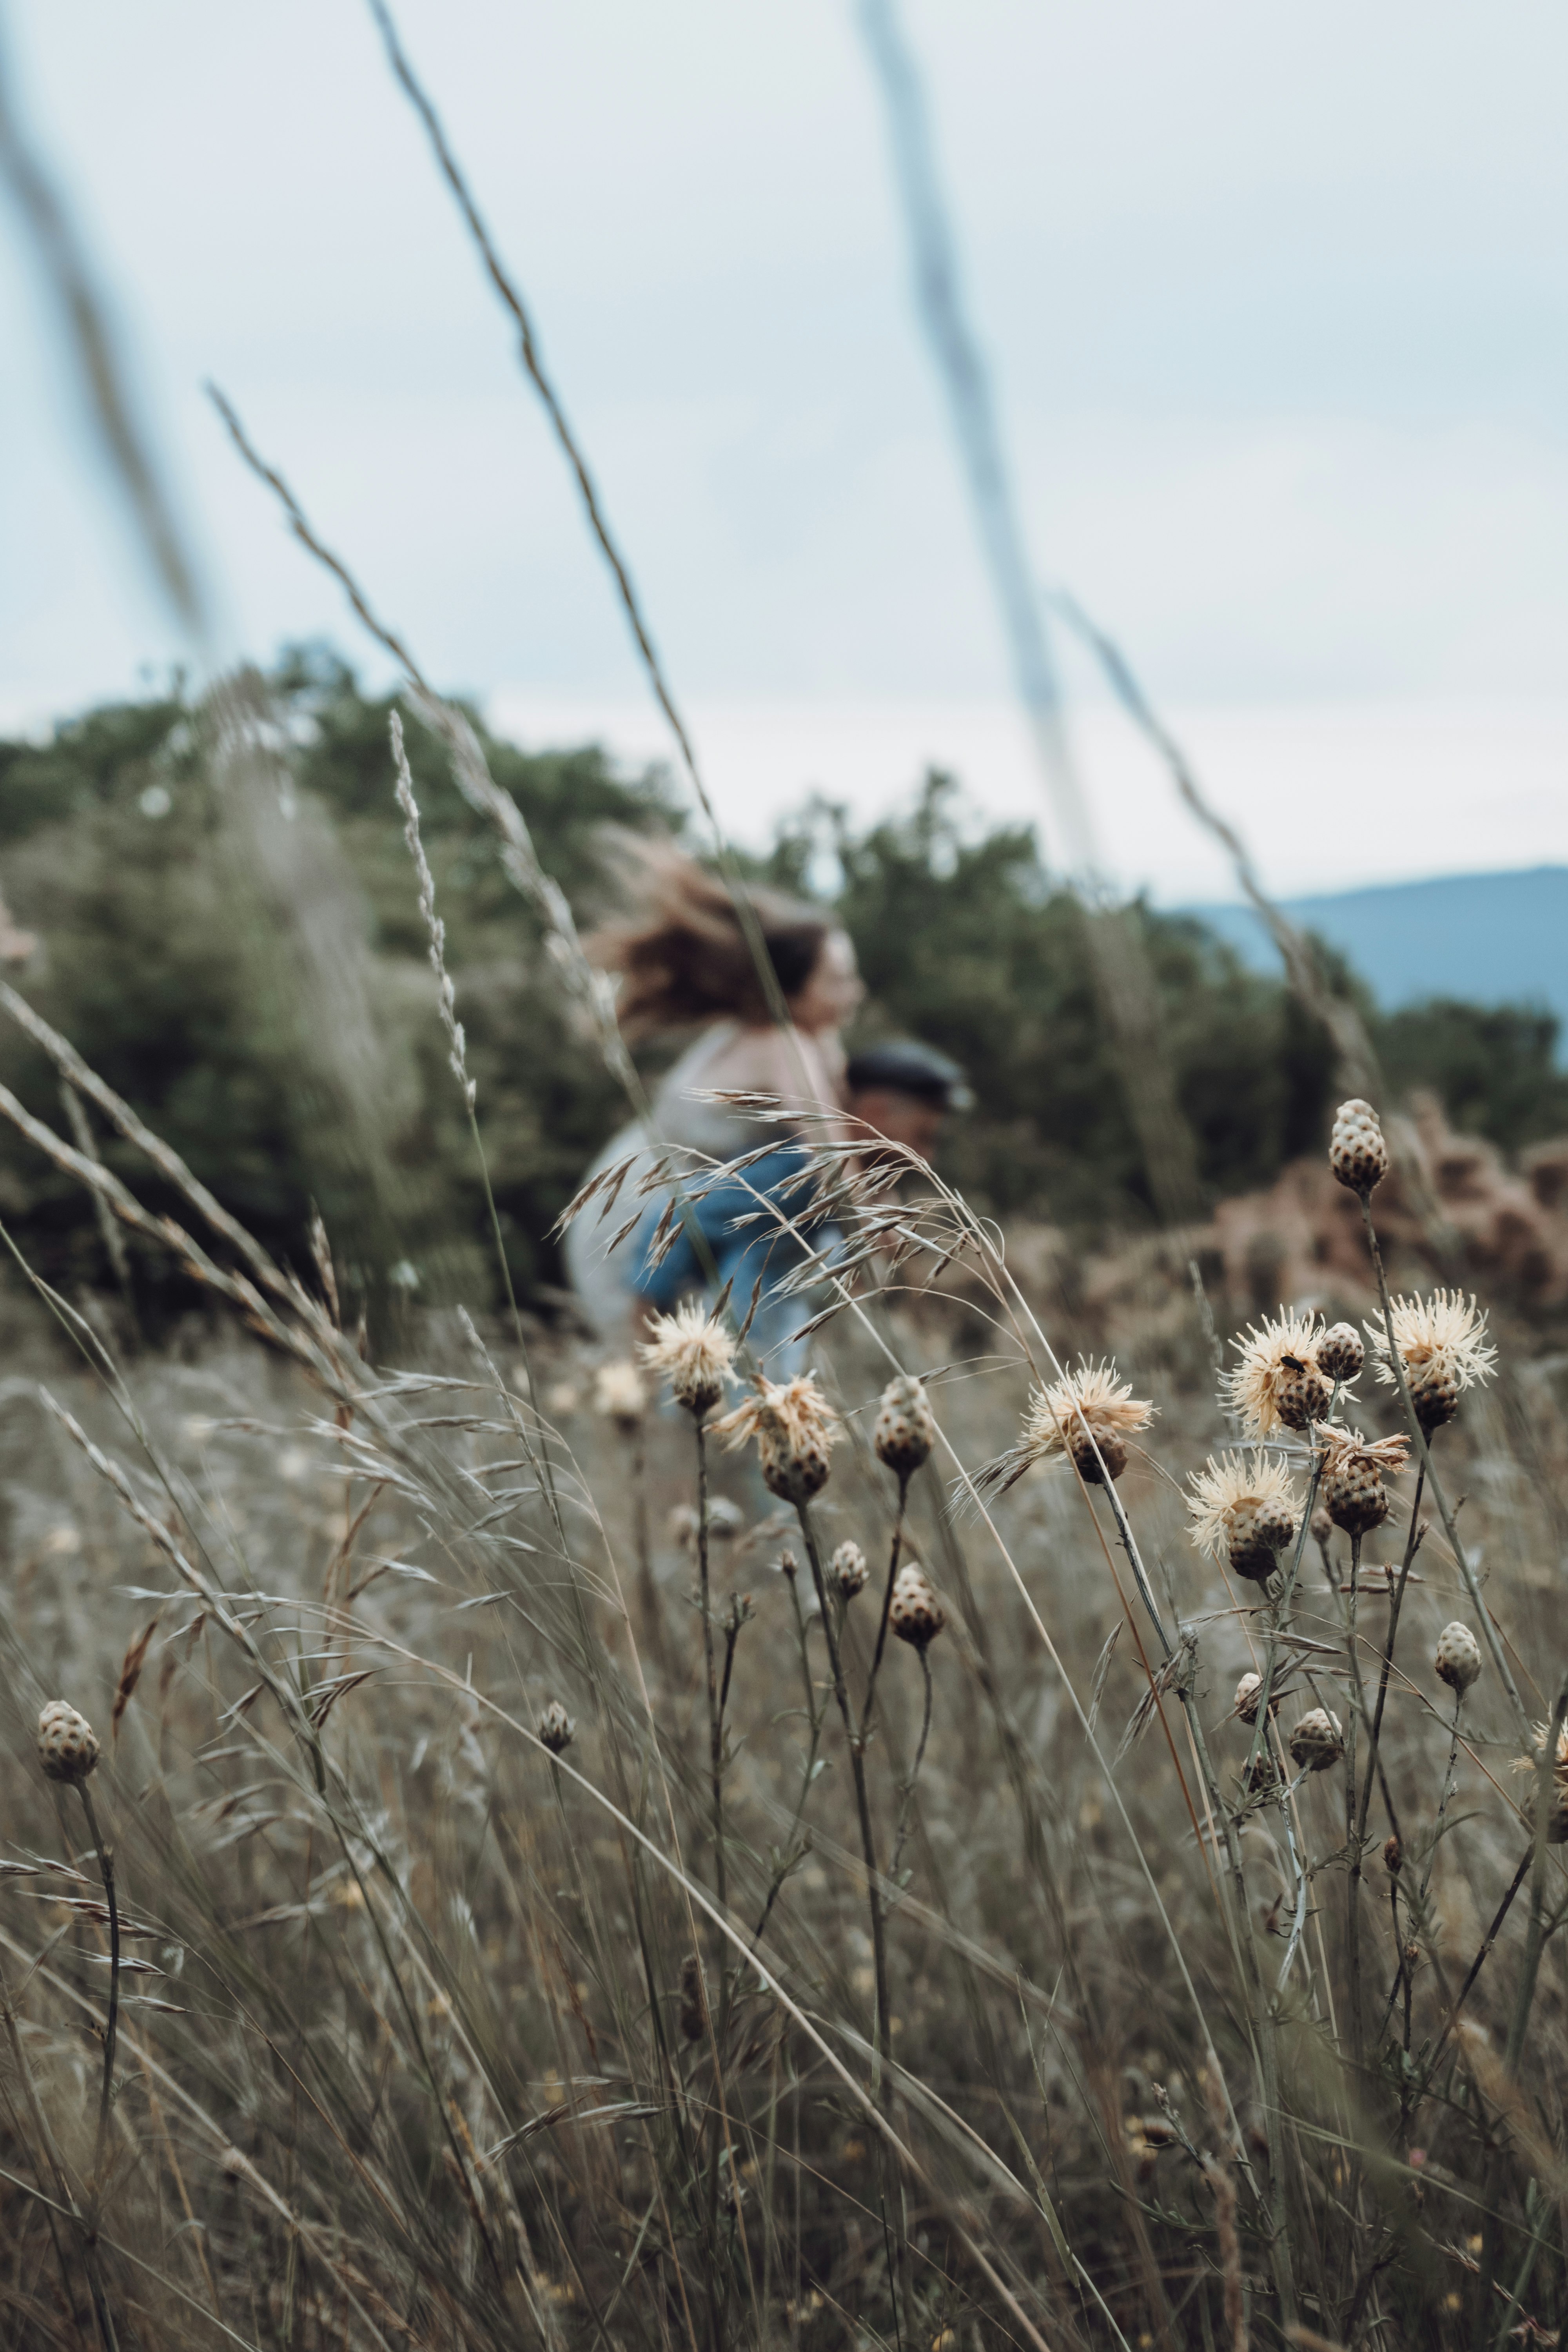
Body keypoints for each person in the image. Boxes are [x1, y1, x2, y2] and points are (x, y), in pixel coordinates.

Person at [565, 844, 863, 1367]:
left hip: (639, 1210)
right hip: (643, 1221)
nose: (855, 993)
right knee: (685, 1370)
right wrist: (884, 1237)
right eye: (837, 980)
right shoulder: (782, 1043)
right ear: (792, 994)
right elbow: (831, 1157)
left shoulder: (757, 1035)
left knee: (692, 1369)